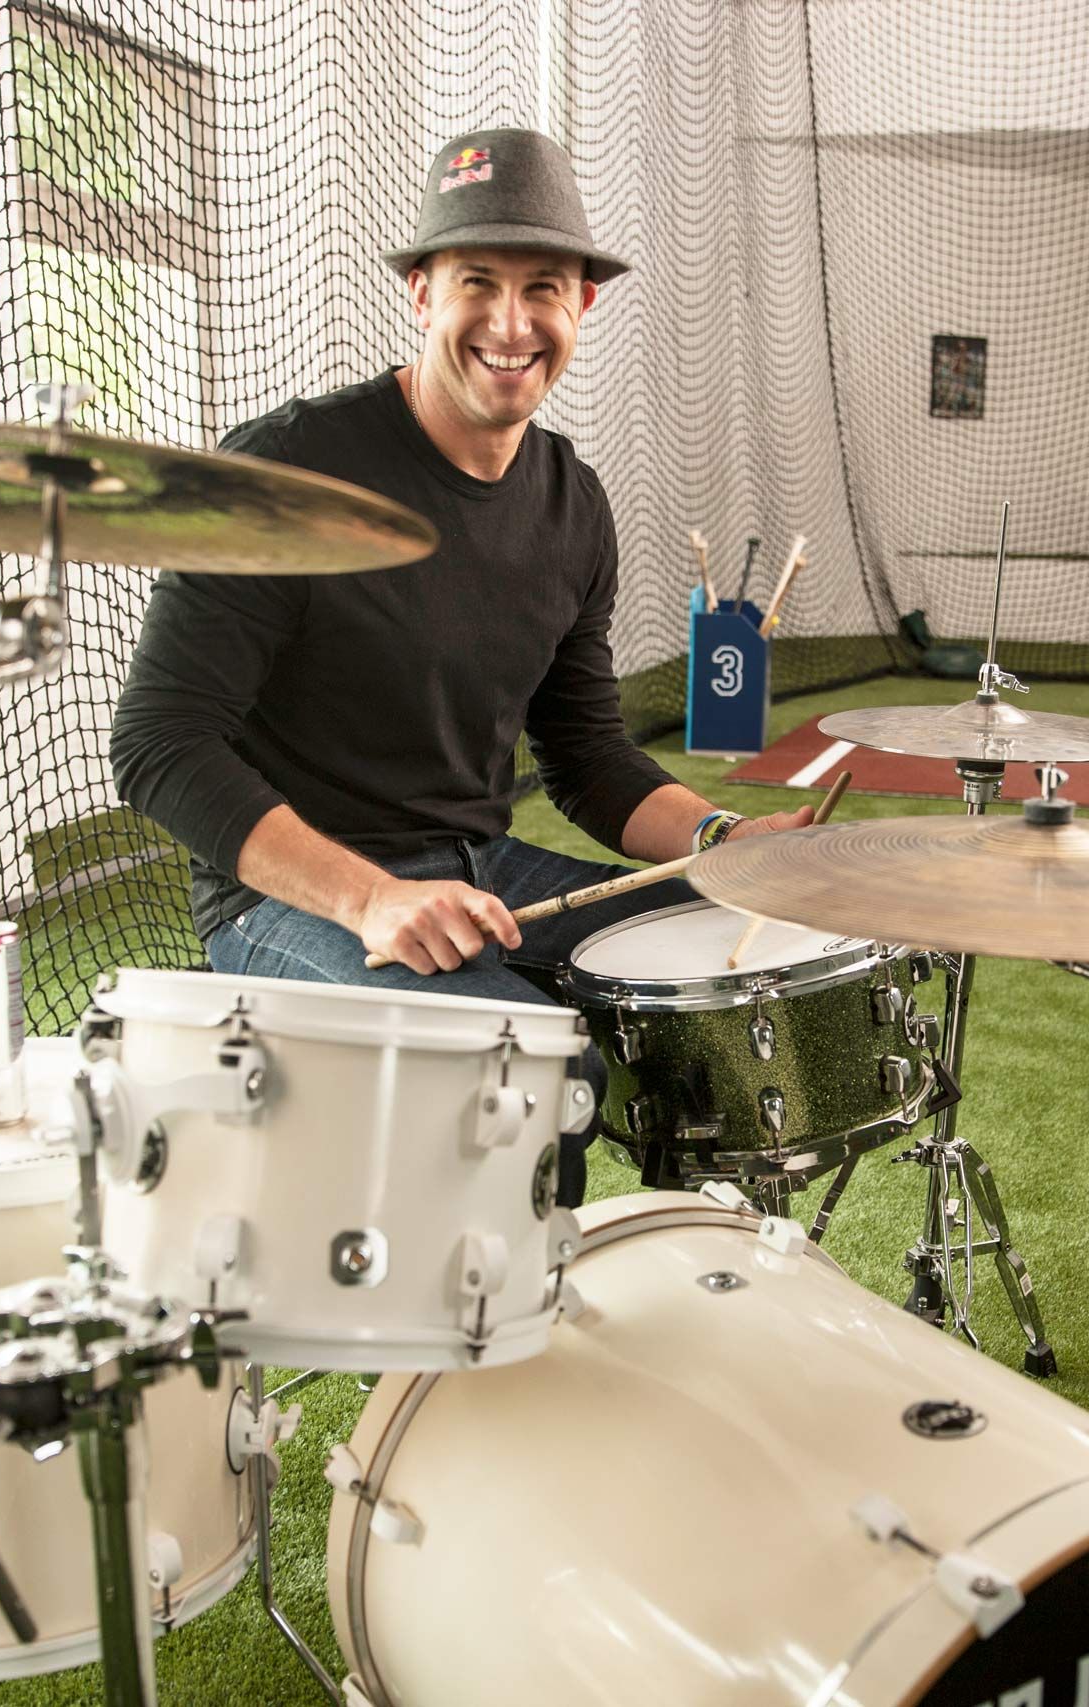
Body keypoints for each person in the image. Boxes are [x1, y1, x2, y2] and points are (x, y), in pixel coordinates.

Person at [108, 127, 809, 1202]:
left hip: (482, 872)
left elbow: (582, 757)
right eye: (477, 281)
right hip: (293, 904)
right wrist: (372, 898)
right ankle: (504, 1338)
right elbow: (158, 745)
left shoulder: (573, 505)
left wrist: (723, 842)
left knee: (732, 951)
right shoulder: (286, 470)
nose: (510, 321)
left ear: (584, 307)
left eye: (544, 287)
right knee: (527, 1064)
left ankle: (693, 1264)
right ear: (421, 293)